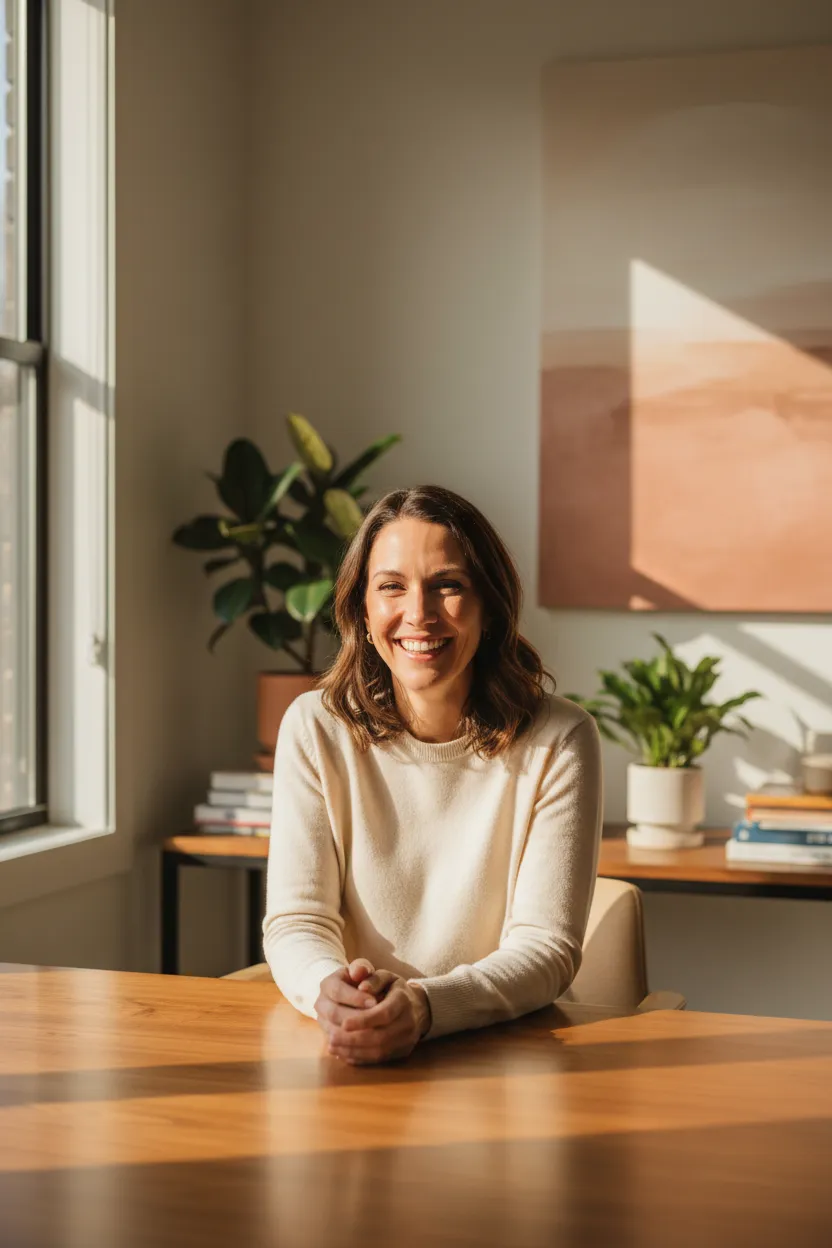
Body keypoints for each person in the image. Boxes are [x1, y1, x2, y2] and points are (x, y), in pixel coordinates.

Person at [263, 485, 603, 1065]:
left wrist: (424, 1007)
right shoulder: (314, 727)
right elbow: (298, 920)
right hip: (347, 1046)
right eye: (391, 586)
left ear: (489, 606)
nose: (418, 614)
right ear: (362, 610)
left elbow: (546, 947)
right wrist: (331, 991)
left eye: (448, 585)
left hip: (505, 1057)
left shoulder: (561, 738)